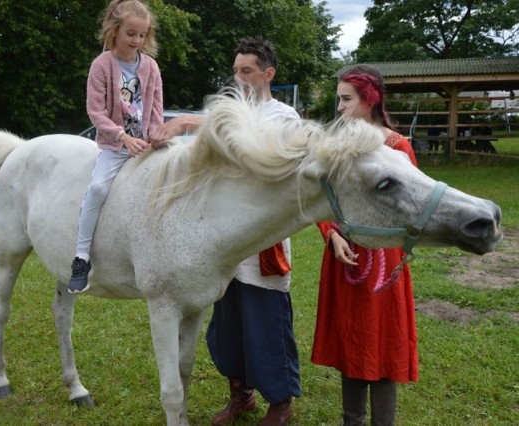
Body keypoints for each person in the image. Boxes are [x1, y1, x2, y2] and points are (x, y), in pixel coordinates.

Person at [153, 37, 302, 426]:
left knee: (266, 322)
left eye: (247, 71)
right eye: (235, 71)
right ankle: (241, 396)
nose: (238, 78)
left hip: (260, 239)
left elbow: (253, 147)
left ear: (268, 74)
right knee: (228, 325)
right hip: (221, 240)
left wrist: (189, 121)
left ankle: (280, 404)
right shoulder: (227, 113)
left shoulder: (284, 116)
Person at [311, 64, 419, 426]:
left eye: (346, 99)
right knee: (352, 342)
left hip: (385, 259)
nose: (339, 107)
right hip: (347, 258)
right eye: (338, 99)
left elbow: (412, 205)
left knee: (384, 342)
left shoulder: (397, 146)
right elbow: (322, 197)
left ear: (369, 100)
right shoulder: (337, 146)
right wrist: (332, 234)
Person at [68, 0, 163, 294]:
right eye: (130, 34)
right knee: (97, 189)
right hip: (114, 146)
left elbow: (156, 109)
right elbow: (95, 112)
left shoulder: (150, 67)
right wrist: (122, 137)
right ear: (114, 31)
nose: (137, 41)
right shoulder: (102, 65)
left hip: (145, 146)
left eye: (142, 35)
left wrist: (157, 136)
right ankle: (81, 257)